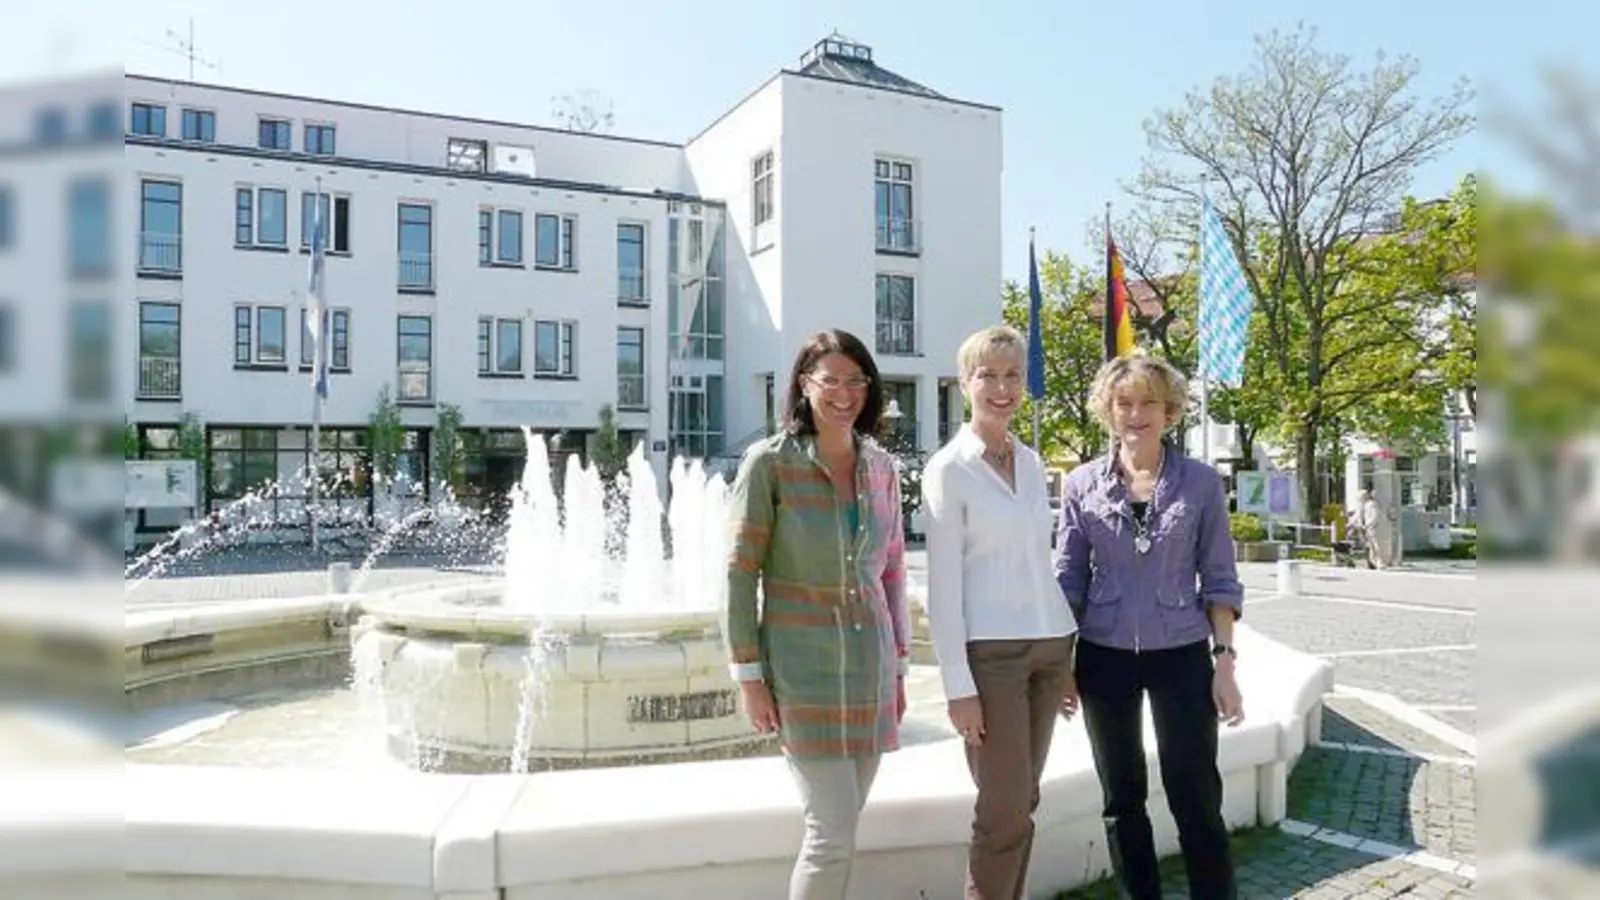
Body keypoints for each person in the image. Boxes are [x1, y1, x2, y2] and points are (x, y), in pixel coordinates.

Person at [722, 328, 911, 900]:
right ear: (805, 386)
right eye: (831, 380)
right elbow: (738, 573)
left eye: (857, 381)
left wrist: (900, 668)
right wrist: (749, 677)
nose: (845, 393)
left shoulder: (882, 468)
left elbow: (893, 574)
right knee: (830, 832)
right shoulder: (769, 465)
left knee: (845, 827)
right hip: (802, 673)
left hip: (872, 669)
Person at [1054, 352, 1245, 900]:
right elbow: (1067, 580)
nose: (1136, 414)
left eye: (1149, 404)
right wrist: (1062, 665)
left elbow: (1220, 578)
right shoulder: (1081, 484)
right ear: (1108, 411)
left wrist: (1224, 664)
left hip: (1180, 652)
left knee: (1195, 794)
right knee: (1122, 799)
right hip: (1103, 655)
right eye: (1124, 403)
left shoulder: (1202, 484)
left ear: (1170, 412)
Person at [922, 325, 1080, 900]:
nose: (1002, 387)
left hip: (1048, 647)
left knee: (1023, 801)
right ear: (965, 382)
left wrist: (1066, 659)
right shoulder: (949, 468)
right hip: (993, 660)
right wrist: (957, 686)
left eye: (1013, 374)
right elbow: (941, 588)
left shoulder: (1034, 462)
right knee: (1003, 808)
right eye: (987, 374)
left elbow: (1043, 562)